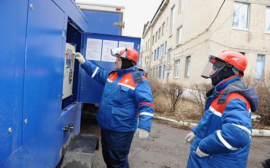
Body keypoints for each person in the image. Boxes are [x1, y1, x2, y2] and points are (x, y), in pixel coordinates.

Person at [73, 47, 154, 168]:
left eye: (118, 59)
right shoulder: (113, 75)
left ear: (127, 61)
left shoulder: (138, 78)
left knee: (118, 163)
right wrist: (84, 62)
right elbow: (98, 73)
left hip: (121, 130)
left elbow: (146, 103)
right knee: (109, 159)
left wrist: (144, 126)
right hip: (107, 126)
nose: (115, 61)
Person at [185, 50, 259, 168]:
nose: (210, 72)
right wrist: (196, 131)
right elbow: (212, 119)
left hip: (216, 162)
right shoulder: (223, 93)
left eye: (215, 68)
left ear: (228, 70)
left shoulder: (234, 98)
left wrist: (204, 146)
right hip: (209, 161)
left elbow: (237, 135)